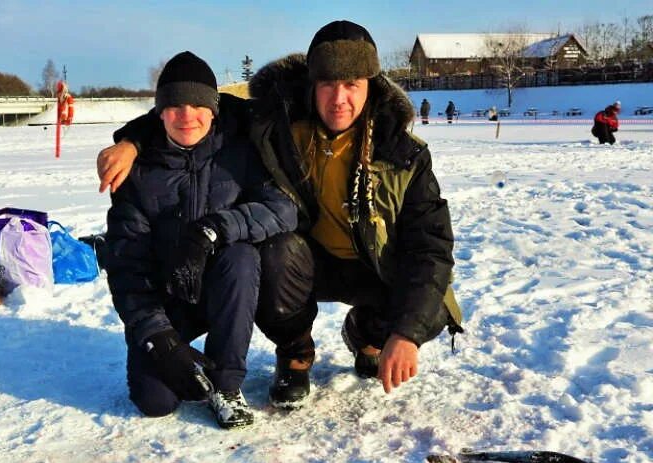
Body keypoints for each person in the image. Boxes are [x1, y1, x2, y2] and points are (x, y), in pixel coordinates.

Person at [98, 21, 463, 410]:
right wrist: (133, 141)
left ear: (371, 85)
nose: (339, 98)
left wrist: (406, 333)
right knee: (270, 251)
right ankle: (295, 354)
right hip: (305, 261)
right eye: (327, 83)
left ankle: (370, 336)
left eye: (352, 84)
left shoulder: (404, 152)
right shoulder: (279, 121)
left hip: (375, 267)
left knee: (434, 306)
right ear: (311, 84)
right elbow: (194, 107)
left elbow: (432, 249)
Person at [102, 51, 297, 429]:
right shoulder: (137, 170)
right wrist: (160, 339)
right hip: (167, 297)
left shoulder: (242, 149)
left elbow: (282, 209)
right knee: (155, 401)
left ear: (213, 108)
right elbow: (125, 263)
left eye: (197, 104)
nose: (186, 115)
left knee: (240, 256)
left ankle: (226, 384)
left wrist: (213, 229)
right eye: (174, 105)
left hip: (220, 288)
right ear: (159, 112)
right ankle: (174, 347)